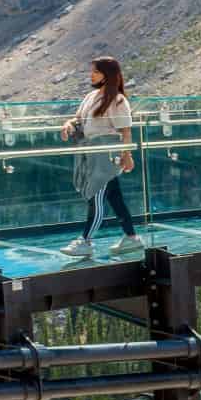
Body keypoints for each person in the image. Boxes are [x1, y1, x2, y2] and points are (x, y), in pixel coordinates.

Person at [59, 56, 143, 258]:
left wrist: (126, 155)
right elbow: (78, 119)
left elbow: (126, 131)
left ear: (107, 74)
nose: (92, 75)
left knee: (96, 195)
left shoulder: (118, 100)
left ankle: (85, 241)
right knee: (114, 197)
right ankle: (131, 238)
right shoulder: (91, 96)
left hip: (106, 155)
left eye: (96, 71)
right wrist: (68, 124)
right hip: (92, 153)